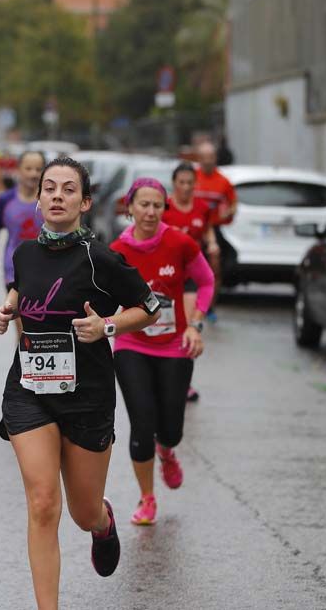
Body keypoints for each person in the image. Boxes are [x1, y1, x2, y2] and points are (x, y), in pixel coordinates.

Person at [0, 156, 160, 610]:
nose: (57, 196)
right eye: (49, 188)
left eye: (68, 189)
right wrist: (6, 310)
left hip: (87, 396)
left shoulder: (100, 258)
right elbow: (21, 288)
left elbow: (149, 308)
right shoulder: (25, 252)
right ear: (39, 197)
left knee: (83, 512)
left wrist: (107, 326)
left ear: (84, 203)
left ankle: (103, 522)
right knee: (43, 503)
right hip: (29, 390)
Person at [109, 178, 213, 525]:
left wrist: (195, 325)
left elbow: (206, 281)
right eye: (144, 204)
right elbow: (100, 295)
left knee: (171, 429)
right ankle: (147, 498)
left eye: (157, 205)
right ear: (130, 208)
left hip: (173, 346)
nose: (150, 212)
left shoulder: (180, 243)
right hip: (131, 344)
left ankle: (167, 451)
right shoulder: (117, 252)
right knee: (142, 423)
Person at [162, 161, 220, 402]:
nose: (186, 187)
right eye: (181, 182)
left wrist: (212, 243)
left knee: (187, 326)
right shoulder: (164, 206)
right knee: (164, 328)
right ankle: (162, 376)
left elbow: (208, 229)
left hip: (190, 276)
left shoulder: (201, 208)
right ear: (174, 183)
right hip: (165, 276)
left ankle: (185, 383)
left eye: (190, 183)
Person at [0, 150, 45, 303]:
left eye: (38, 169)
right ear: (19, 170)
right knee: (18, 312)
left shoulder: (49, 199)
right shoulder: (6, 199)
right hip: (13, 266)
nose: (33, 174)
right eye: (28, 169)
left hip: (44, 267)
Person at [193, 141, 237, 323]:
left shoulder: (223, 181)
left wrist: (228, 212)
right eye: (204, 157)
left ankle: (209, 307)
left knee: (215, 268)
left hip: (213, 228)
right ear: (199, 158)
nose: (207, 161)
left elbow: (233, 204)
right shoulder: (192, 178)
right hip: (192, 229)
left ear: (215, 158)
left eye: (210, 157)